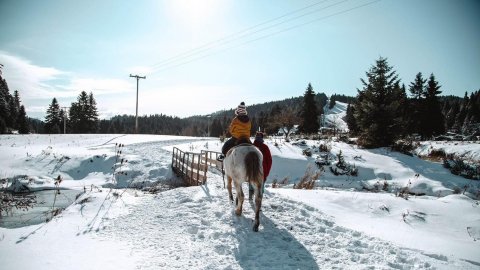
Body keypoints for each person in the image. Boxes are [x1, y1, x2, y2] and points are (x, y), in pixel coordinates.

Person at [249, 131, 272, 200]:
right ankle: (259, 199)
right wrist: (266, 173)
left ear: (255, 138)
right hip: (262, 170)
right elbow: (269, 161)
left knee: (251, 182)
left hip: (252, 170)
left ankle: (251, 195)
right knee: (261, 186)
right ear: (262, 138)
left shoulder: (251, 147)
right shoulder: (265, 147)